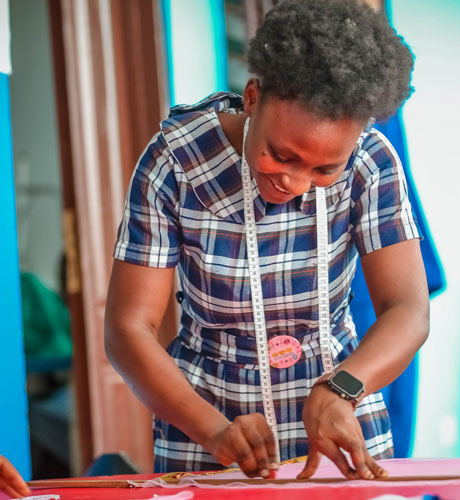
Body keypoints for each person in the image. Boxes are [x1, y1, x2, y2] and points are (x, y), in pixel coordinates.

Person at [105, 0, 429, 481]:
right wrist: (214, 431)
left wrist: (342, 389)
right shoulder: (175, 161)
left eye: (325, 169)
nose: (295, 183)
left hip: (339, 411)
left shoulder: (371, 161)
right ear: (253, 97)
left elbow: (408, 308)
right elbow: (128, 328)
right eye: (281, 154)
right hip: (205, 416)